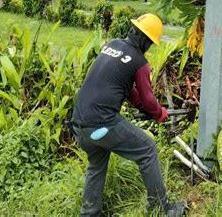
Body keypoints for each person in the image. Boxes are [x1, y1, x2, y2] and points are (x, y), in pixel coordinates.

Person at [72, 13, 187, 217]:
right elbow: (149, 99)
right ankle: (162, 209)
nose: (149, 47)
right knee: (148, 149)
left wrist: (143, 106)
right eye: (150, 42)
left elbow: (126, 89)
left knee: (97, 164)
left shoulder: (113, 44)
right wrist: (158, 113)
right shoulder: (139, 61)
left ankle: (89, 213)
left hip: (80, 124)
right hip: (102, 124)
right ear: (144, 39)